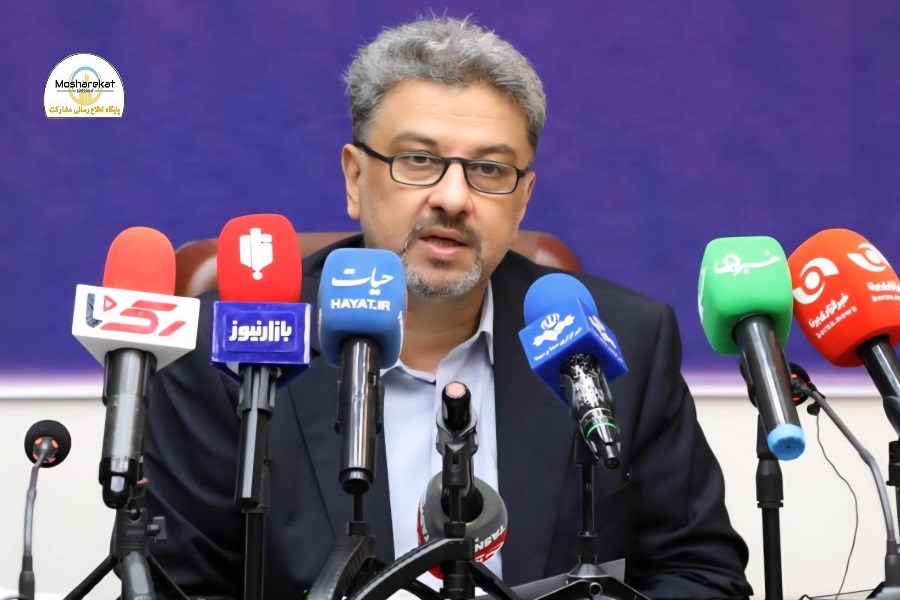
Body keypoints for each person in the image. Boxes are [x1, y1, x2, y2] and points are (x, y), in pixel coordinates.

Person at [141, 16, 753, 600]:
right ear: (354, 178)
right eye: (418, 160)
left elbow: (700, 572)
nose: (453, 197)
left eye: (489, 169)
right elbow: (179, 586)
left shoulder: (625, 342)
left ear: (522, 199)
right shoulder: (221, 352)